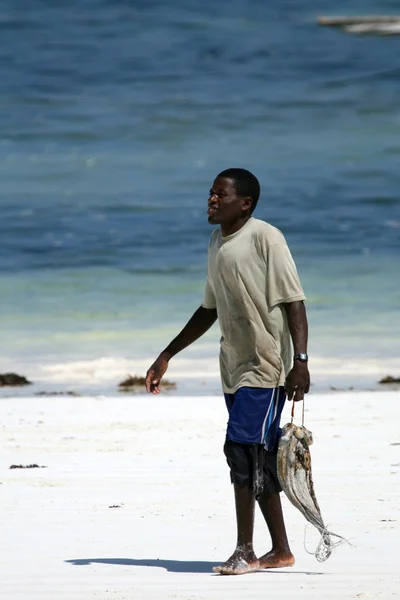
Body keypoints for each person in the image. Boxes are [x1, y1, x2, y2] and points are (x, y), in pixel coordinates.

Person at [145, 168, 310, 575]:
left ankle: (245, 550)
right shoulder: (217, 242)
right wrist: (167, 354)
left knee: (240, 450)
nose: (211, 200)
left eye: (220, 194)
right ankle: (282, 550)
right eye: (210, 193)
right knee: (257, 456)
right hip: (233, 367)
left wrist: (300, 363)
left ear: (245, 203)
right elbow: (209, 309)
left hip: (266, 367)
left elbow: (294, 302)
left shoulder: (266, 237)